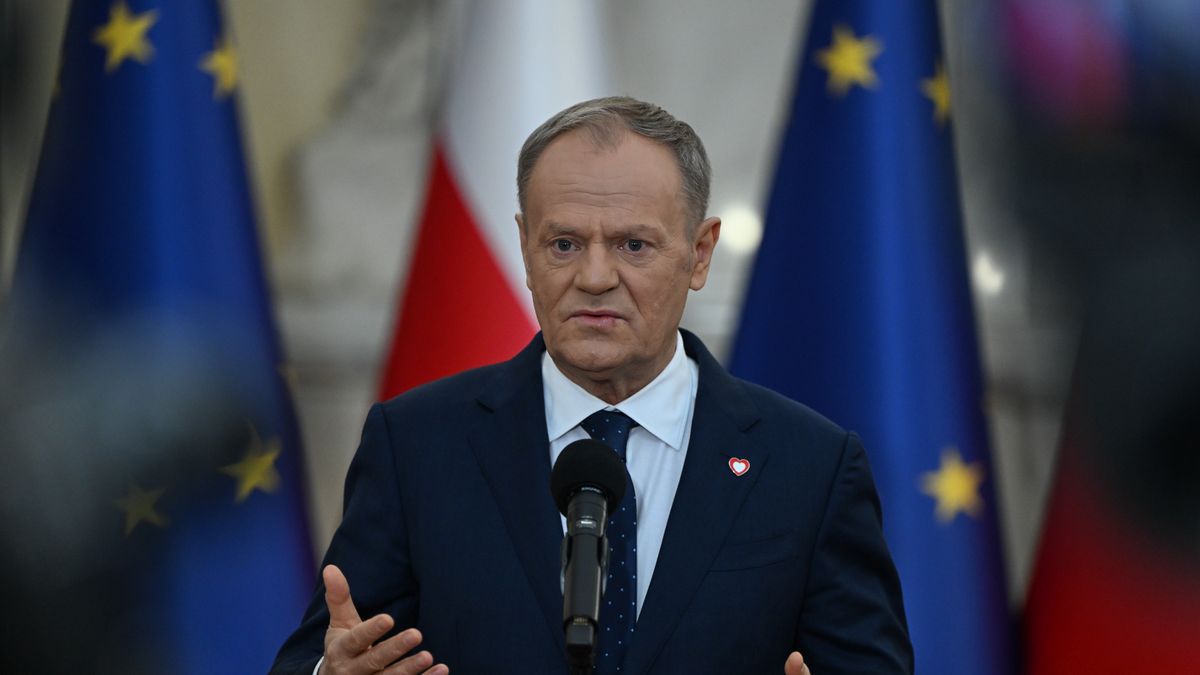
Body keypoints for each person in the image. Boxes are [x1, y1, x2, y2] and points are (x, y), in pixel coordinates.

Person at [271, 96, 912, 675]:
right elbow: (325, 653)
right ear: (525, 246)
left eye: (633, 245)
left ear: (700, 252)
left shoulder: (810, 465)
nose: (595, 276)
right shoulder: (417, 443)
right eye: (565, 244)